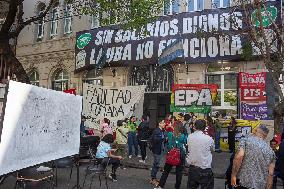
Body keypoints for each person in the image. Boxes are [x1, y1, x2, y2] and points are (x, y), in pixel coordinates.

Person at [231, 125, 276, 189]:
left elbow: (239, 156)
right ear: (265, 136)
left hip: (243, 183)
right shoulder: (271, 151)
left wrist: (233, 175)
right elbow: (271, 174)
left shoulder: (245, 140)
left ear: (256, 131)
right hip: (260, 186)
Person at [155, 122, 187, 189]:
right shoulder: (183, 136)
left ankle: (160, 186)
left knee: (166, 172)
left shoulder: (170, 134)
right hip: (180, 155)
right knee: (179, 173)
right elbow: (186, 143)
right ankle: (177, 187)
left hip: (171, 154)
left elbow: (168, 143)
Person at [187, 119, 214, 189]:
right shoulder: (209, 139)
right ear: (205, 128)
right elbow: (212, 150)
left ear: (194, 127)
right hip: (205, 168)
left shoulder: (189, 137)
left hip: (192, 168)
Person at [150, 120, 166, 187]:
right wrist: (163, 138)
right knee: (156, 164)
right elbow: (155, 140)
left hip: (159, 149)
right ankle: (153, 178)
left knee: (156, 164)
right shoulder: (157, 131)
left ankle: (153, 178)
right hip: (156, 150)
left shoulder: (161, 130)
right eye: (163, 123)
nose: (164, 124)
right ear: (159, 124)